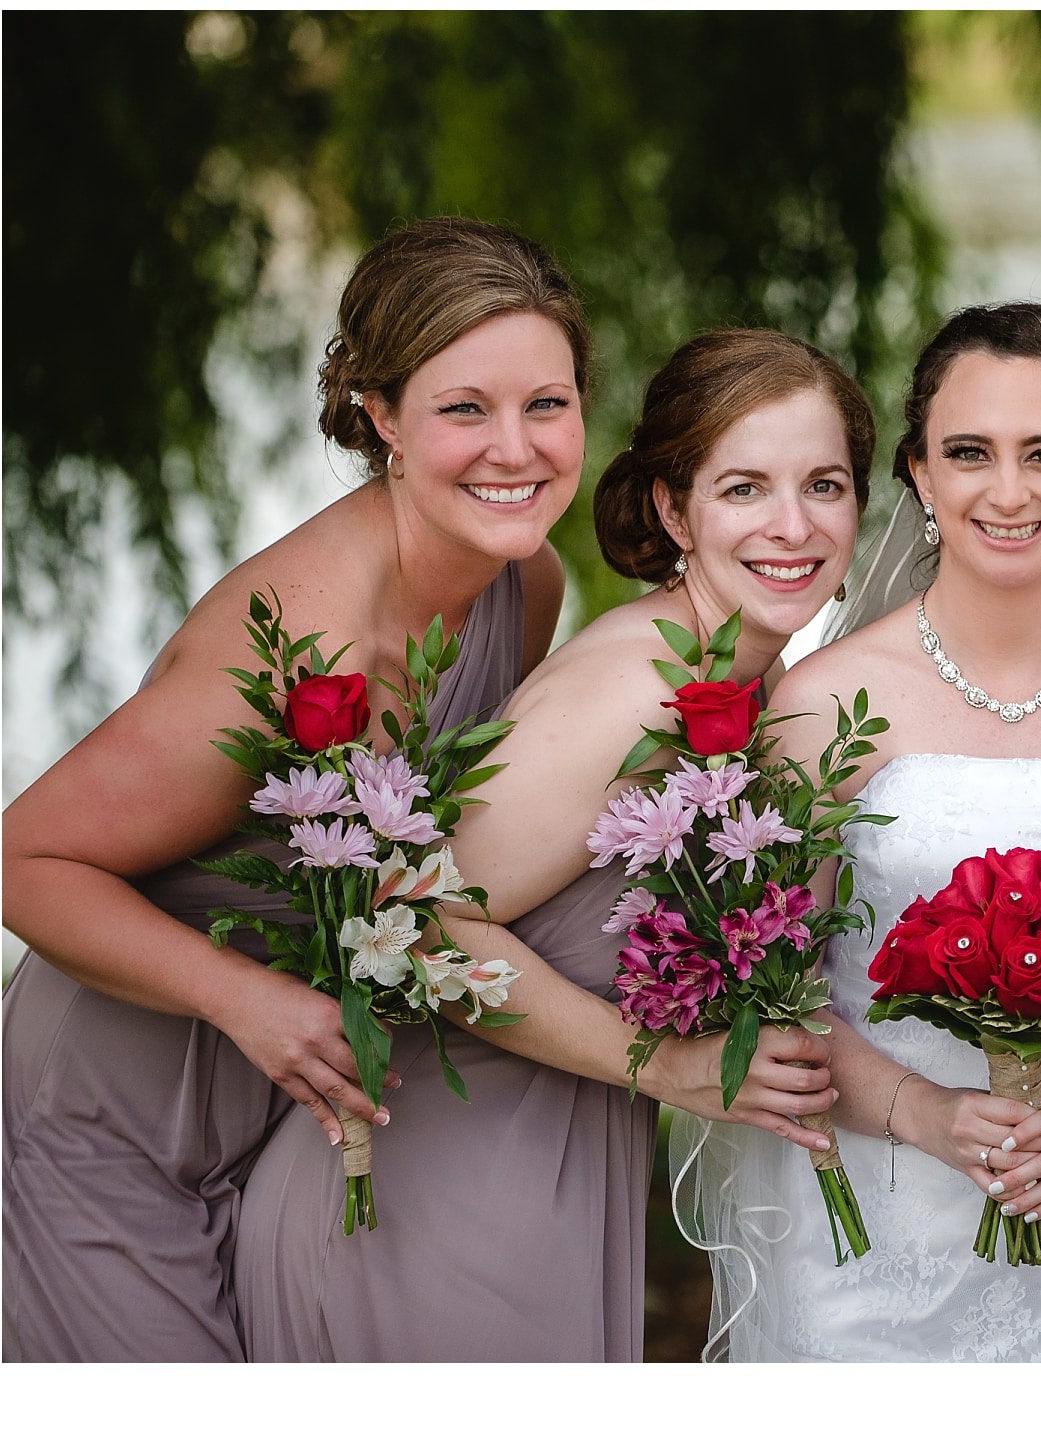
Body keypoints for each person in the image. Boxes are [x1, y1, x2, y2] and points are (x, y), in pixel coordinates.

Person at [2, 216, 585, 1361]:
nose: (515, 449)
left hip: (292, 1119)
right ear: (382, 417)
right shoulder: (298, 642)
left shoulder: (527, 582)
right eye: (464, 408)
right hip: (109, 1126)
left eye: (547, 404)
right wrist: (246, 999)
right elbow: (21, 857)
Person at [231, 330, 873, 1361]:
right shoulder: (636, 687)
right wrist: (667, 1064)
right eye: (744, 487)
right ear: (674, 508)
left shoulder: (751, 685)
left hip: (552, 1165)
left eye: (825, 484)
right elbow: (416, 918)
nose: (792, 525)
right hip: (431, 1192)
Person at [696, 301, 1041, 1361]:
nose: (1007, 491)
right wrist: (921, 1110)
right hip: (876, 1229)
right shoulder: (824, 702)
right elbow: (776, 983)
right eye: (968, 452)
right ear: (917, 472)